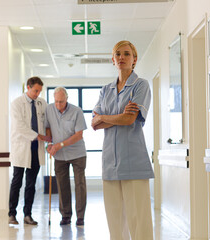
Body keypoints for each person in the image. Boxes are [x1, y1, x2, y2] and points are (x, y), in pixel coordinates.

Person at [91, 41, 154, 240]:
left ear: (134, 59)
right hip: (110, 163)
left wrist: (104, 117)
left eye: (126, 54)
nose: (121, 57)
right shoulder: (105, 90)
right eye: (117, 54)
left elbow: (129, 119)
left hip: (133, 162)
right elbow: (94, 123)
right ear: (112, 59)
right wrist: (106, 118)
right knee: (115, 223)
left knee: (138, 221)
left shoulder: (141, 85)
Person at [8, 76, 51, 225]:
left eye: (39, 91)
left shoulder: (42, 103)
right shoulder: (17, 103)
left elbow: (47, 122)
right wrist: (39, 136)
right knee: (17, 181)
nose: (37, 93)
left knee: (31, 184)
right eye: (35, 90)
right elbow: (19, 126)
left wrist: (48, 135)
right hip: (21, 148)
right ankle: (12, 214)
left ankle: (28, 215)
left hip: (35, 149)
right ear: (28, 87)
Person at [46, 87, 87, 226]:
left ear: (67, 99)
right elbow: (48, 128)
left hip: (77, 153)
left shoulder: (77, 111)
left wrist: (60, 144)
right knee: (62, 185)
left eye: (61, 102)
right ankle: (66, 216)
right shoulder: (49, 109)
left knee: (79, 184)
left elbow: (79, 135)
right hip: (59, 155)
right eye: (56, 101)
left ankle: (80, 217)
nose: (58, 105)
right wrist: (50, 144)